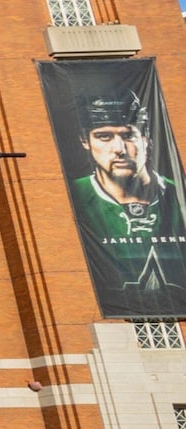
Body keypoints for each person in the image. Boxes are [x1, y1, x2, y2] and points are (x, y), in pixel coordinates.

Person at [67, 93, 186, 296]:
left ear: (146, 139)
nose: (119, 149)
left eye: (128, 136)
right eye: (104, 136)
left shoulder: (179, 195)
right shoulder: (74, 197)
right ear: (84, 140)